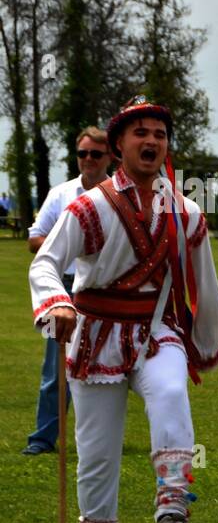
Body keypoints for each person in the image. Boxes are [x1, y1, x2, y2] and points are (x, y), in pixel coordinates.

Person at [28, 97, 218, 523]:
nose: (152, 141)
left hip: (156, 329)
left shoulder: (185, 213)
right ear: (119, 145)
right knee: (97, 455)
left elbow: (203, 282)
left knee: (170, 391)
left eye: (160, 134)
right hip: (94, 336)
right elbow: (45, 262)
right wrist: (57, 303)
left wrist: (203, 340)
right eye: (141, 132)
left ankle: (172, 506)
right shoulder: (89, 208)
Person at [22, 128, 114, 456]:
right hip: (64, 291)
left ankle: (99, 439)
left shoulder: (120, 196)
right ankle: (43, 439)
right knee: (56, 368)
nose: (87, 160)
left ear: (110, 157)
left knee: (108, 369)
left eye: (95, 154)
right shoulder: (61, 194)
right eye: (82, 154)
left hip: (106, 290)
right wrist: (69, 245)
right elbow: (35, 237)